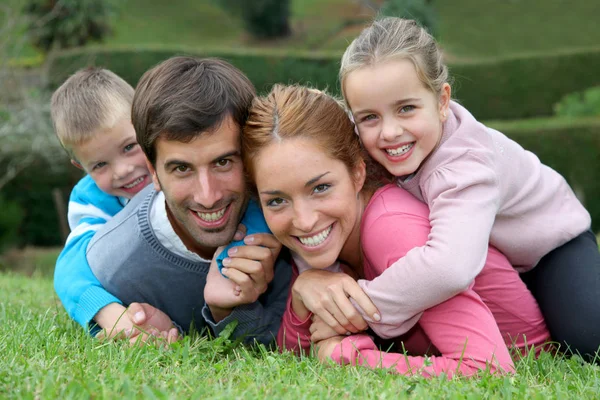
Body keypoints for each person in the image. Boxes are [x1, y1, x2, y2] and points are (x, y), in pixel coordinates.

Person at [241, 84, 550, 377]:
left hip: (526, 351)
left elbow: (490, 370)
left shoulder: (390, 228)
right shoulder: (321, 237)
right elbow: (292, 360)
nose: (304, 220)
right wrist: (302, 291)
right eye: (277, 200)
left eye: (320, 188)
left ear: (357, 172)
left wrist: (351, 358)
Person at [338, 17, 600, 359]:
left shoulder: (465, 164)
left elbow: (450, 267)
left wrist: (359, 308)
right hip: (488, 252)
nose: (389, 132)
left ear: (442, 101)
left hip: (551, 248)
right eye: (369, 117)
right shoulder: (374, 144)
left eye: (406, 108)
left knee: (586, 338)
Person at [85, 57, 292, 345]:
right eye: (181, 168)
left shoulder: (293, 212)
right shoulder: (117, 271)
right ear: (153, 171)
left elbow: (294, 344)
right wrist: (224, 312)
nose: (208, 197)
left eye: (223, 162)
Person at [50, 67, 179, 341]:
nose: (122, 171)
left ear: (147, 126)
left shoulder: (181, 164)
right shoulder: (92, 200)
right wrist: (111, 314)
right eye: (99, 164)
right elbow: (70, 269)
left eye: (129, 147)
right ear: (81, 167)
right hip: (145, 298)